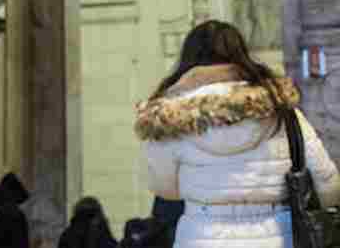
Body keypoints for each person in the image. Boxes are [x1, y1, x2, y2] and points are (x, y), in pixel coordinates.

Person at [134, 19, 340, 248]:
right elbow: (328, 188)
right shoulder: (283, 112)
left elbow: (164, 189)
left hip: (202, 235)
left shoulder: (169, 119)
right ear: (242, 55)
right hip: (279, 236)